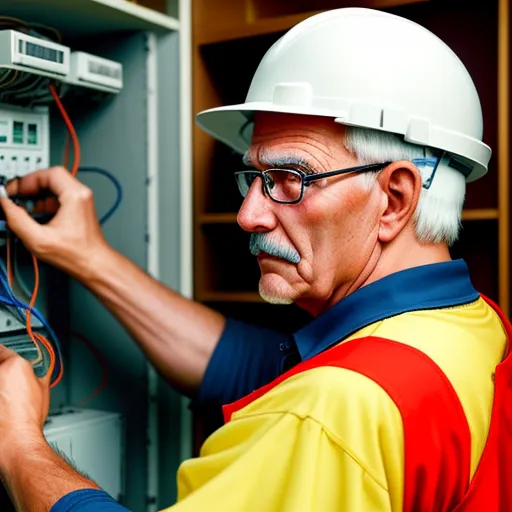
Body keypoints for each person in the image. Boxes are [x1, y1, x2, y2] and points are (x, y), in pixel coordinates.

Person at [0, 6, 509, 512]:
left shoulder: (335, 409)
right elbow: (257, 368)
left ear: (394, 199)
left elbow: (313, 403)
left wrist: (19, 441)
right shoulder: (469, 326)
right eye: (257, 177)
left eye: (293, 178)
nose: (249, 215)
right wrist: (92, 258)